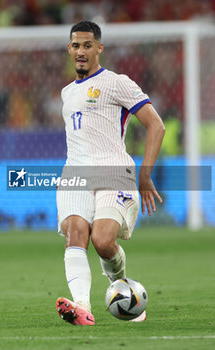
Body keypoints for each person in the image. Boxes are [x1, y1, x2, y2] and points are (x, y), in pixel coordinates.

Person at [56, 21, 165, 326]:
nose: (81, 51)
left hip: (114, 171)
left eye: (87, 45)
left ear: (99, 48)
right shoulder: (66, 93)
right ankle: (81, 307)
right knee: (75, 231)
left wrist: (145, 175)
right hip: (75, 174)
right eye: (76, 45)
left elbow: (156, 125)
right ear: (69, 49)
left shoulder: (117, 83)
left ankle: (121, 289)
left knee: (103, 241)